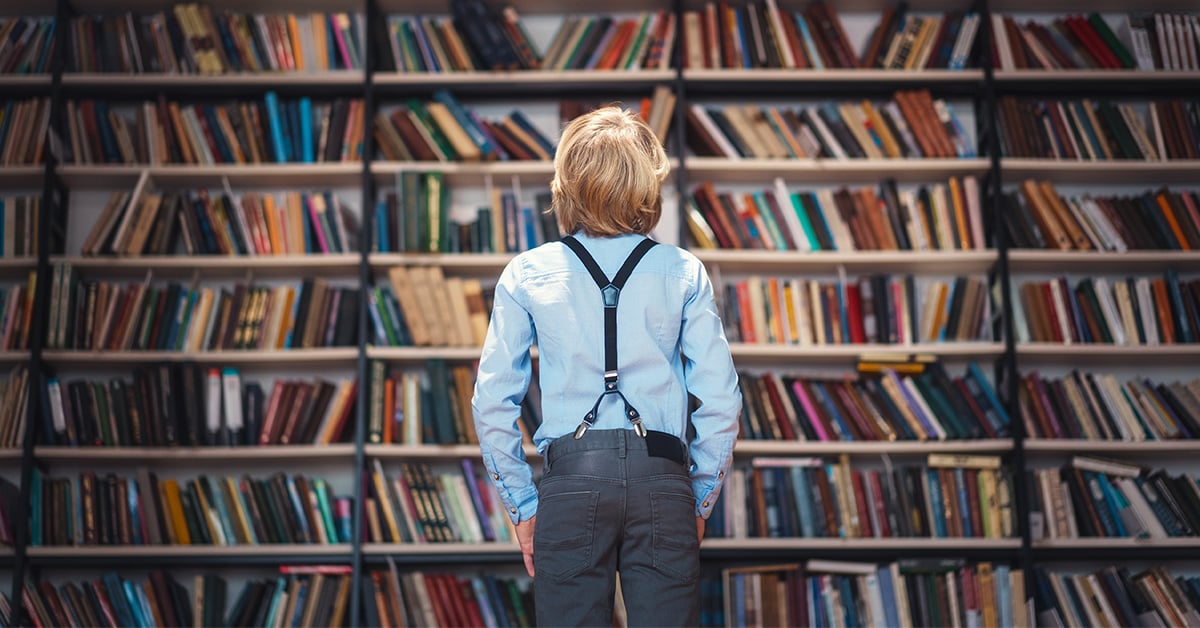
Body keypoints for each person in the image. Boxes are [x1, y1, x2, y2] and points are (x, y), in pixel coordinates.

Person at [472, 105, 741, 627]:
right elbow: (723, 401)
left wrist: (523, 508)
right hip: (664, 483)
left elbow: (491, 403)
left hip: (570, 483)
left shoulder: (527, 273)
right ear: (648, 183)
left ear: (566, 183)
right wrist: (700, 499)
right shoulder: (684, 270)